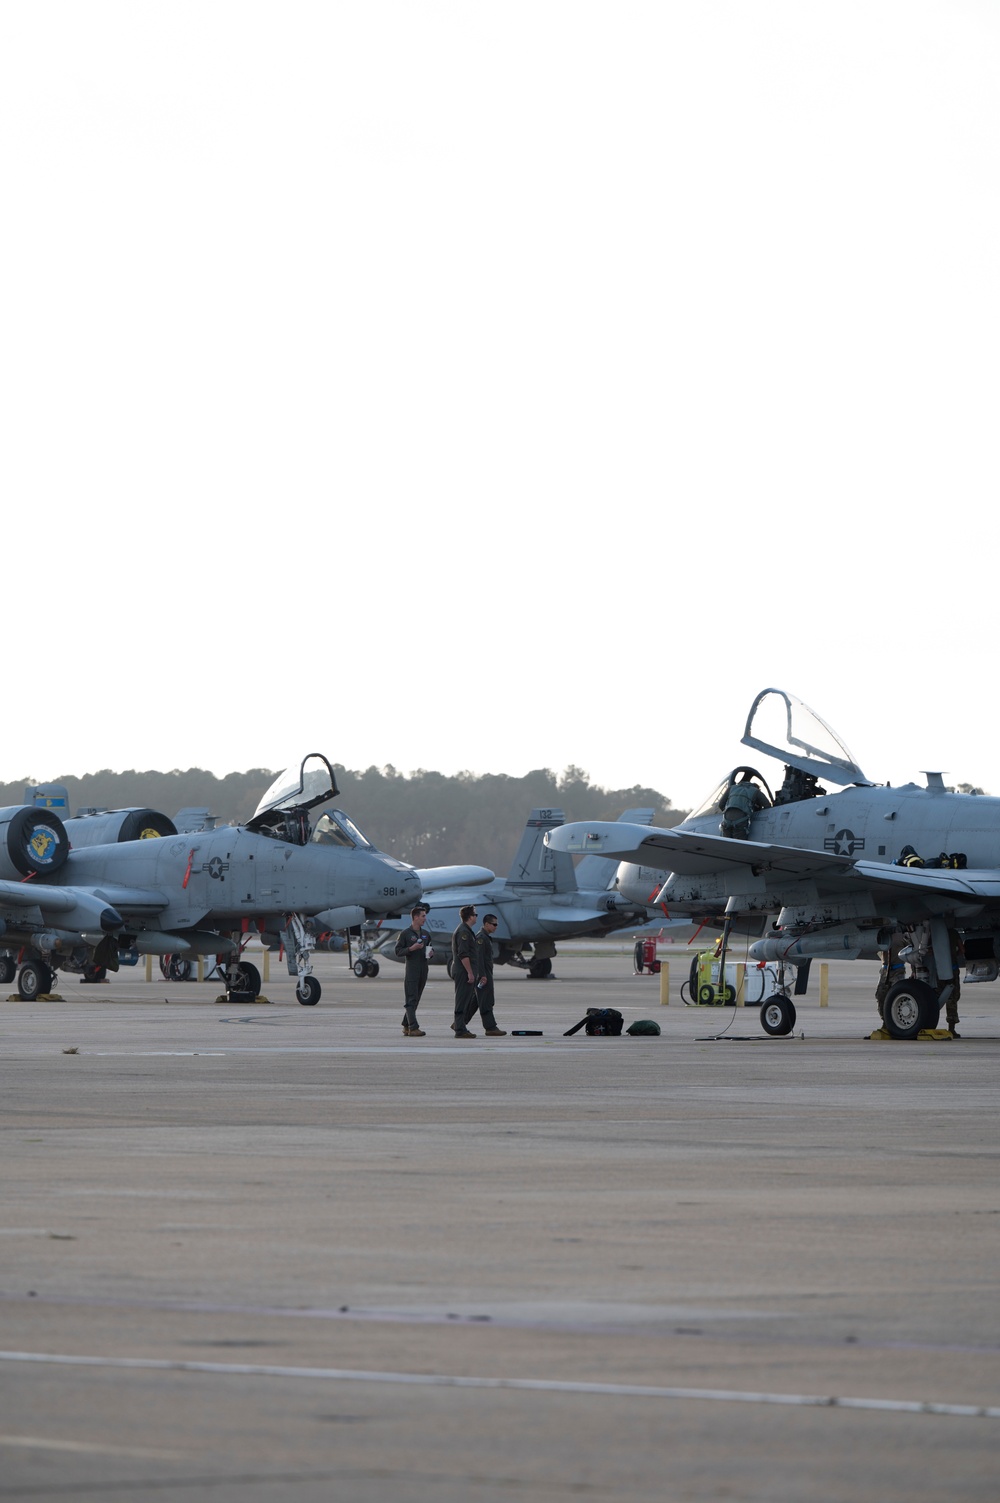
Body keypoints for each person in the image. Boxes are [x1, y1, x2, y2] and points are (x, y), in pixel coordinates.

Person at [394, 903, 432, 1036]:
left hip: (423, 969)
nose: (425, 918)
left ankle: (406, 1025)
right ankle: (413, 1027)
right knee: (411, 999)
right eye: (423, 916)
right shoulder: (405, 934)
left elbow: (429, 948)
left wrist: (431, 953)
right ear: (415, 917)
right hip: (412, 971)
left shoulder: (426, 934)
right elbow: (398, 951)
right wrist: (411, 948)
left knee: (416, 998)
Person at [472, 913, 506, 1036]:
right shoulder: (481, 938)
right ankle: (490, 1027)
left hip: (486, 973)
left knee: (475, 1001)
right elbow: (478, 958)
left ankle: (459, 1022)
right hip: (484, 974)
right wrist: (482, 975)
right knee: (486, 1001)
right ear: (486, 924)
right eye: (494, 924)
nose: (496, 927)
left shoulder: (486, 937)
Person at [451, 905, 479, 1037]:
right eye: (475, 914)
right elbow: (463, 954)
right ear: (470, 917)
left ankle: (460, 1025)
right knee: (462, 1000)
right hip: (463, 971)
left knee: (466, 999)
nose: (476, 917)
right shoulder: (463, 932)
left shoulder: (467, 930)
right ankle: (460, 1030)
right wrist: (470, 972)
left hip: (465, 970)